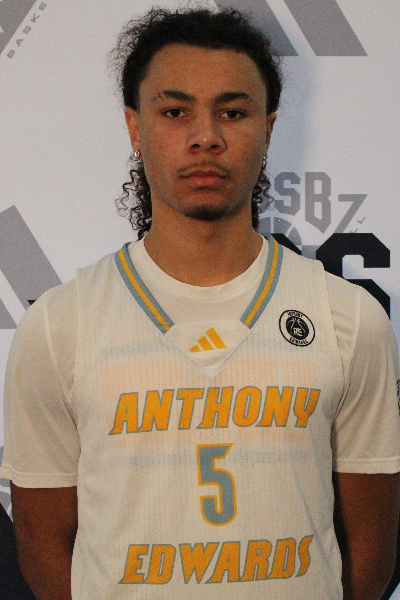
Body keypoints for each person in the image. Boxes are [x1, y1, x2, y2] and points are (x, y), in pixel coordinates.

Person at [1, 7, 399, 600]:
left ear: (268, 128)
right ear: (135, 128)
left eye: (233, 112)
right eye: (175, 111)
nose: (205, 136)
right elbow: (41, 546)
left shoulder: (348, 318)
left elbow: (370, 549)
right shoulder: (60, 326)